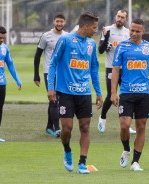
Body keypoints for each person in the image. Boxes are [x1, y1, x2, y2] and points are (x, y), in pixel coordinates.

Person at [47, 12, 103, 174]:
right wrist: (51, 87)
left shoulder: (92, 44)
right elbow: (53, 64)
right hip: (65, 92)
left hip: (84, 93)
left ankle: (82, 163)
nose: (95, 31)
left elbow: (93, 68)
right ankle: (67, 150)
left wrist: (98, 92)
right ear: (85, 26)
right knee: (67, 129)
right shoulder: (65, 40)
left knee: (85, 127)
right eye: (94, 27)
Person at [111, 19, 149, 171]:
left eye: (138, 31)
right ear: (129, 30)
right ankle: (126, 149)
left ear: (143, 31)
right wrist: (113, 92)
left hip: (144, 93)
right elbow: (116, 70)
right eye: (132, 30)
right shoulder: (122, 47)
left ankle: (135, 162)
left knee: (141, 127)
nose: (134, 33)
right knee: (124, 125)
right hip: (126, 93)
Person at [97, 9, 136, 134]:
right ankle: (102, 118)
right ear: (115, 16)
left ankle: (126, 124)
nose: (120, 19)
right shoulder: (107, 30)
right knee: (110, 95)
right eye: (118, 16)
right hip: (111, 68)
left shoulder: (127, 33)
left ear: (126, 19)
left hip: (125, 69)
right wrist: (106, 38)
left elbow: (131, 50)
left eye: (122, 17)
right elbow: (101, 50)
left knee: (126, 96)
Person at [33, 13, 68, 137]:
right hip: (49, 72)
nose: (59, 24)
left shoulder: (67, 36)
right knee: (54, 100)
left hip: (62, 72)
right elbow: (37, 56)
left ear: (64, 22)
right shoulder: (46, 36)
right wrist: (36, 75)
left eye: (61, 21)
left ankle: (49, 127)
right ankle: (57, 128)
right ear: (53, 21)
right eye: (57, 21)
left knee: (56, 99)